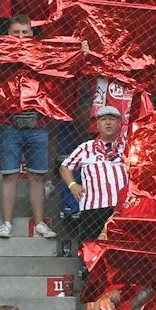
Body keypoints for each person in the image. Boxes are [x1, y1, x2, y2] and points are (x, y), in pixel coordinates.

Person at [0, 14, 59, 241]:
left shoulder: (43, 53)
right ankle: (6, 223)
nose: (21, 37)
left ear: (32, 34)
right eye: (16, 33)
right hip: (9, 124)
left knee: (37, 177)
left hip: (38, 124)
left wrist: (80, 50)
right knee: (9, 176)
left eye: (25, 32)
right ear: (8, 34)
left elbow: (64, 63)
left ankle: (39, 223)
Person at [60, 105, 128, 250]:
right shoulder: (86, 148)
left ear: (119, 124)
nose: (108, 123)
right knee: (90, 250)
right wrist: (73, 185)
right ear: (97, 125)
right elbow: (65, 167)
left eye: (112, 119)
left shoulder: (128, 146)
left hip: (122, 208)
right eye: (103, 119)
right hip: (93, 208)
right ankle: (86, 272)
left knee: (120, 250)